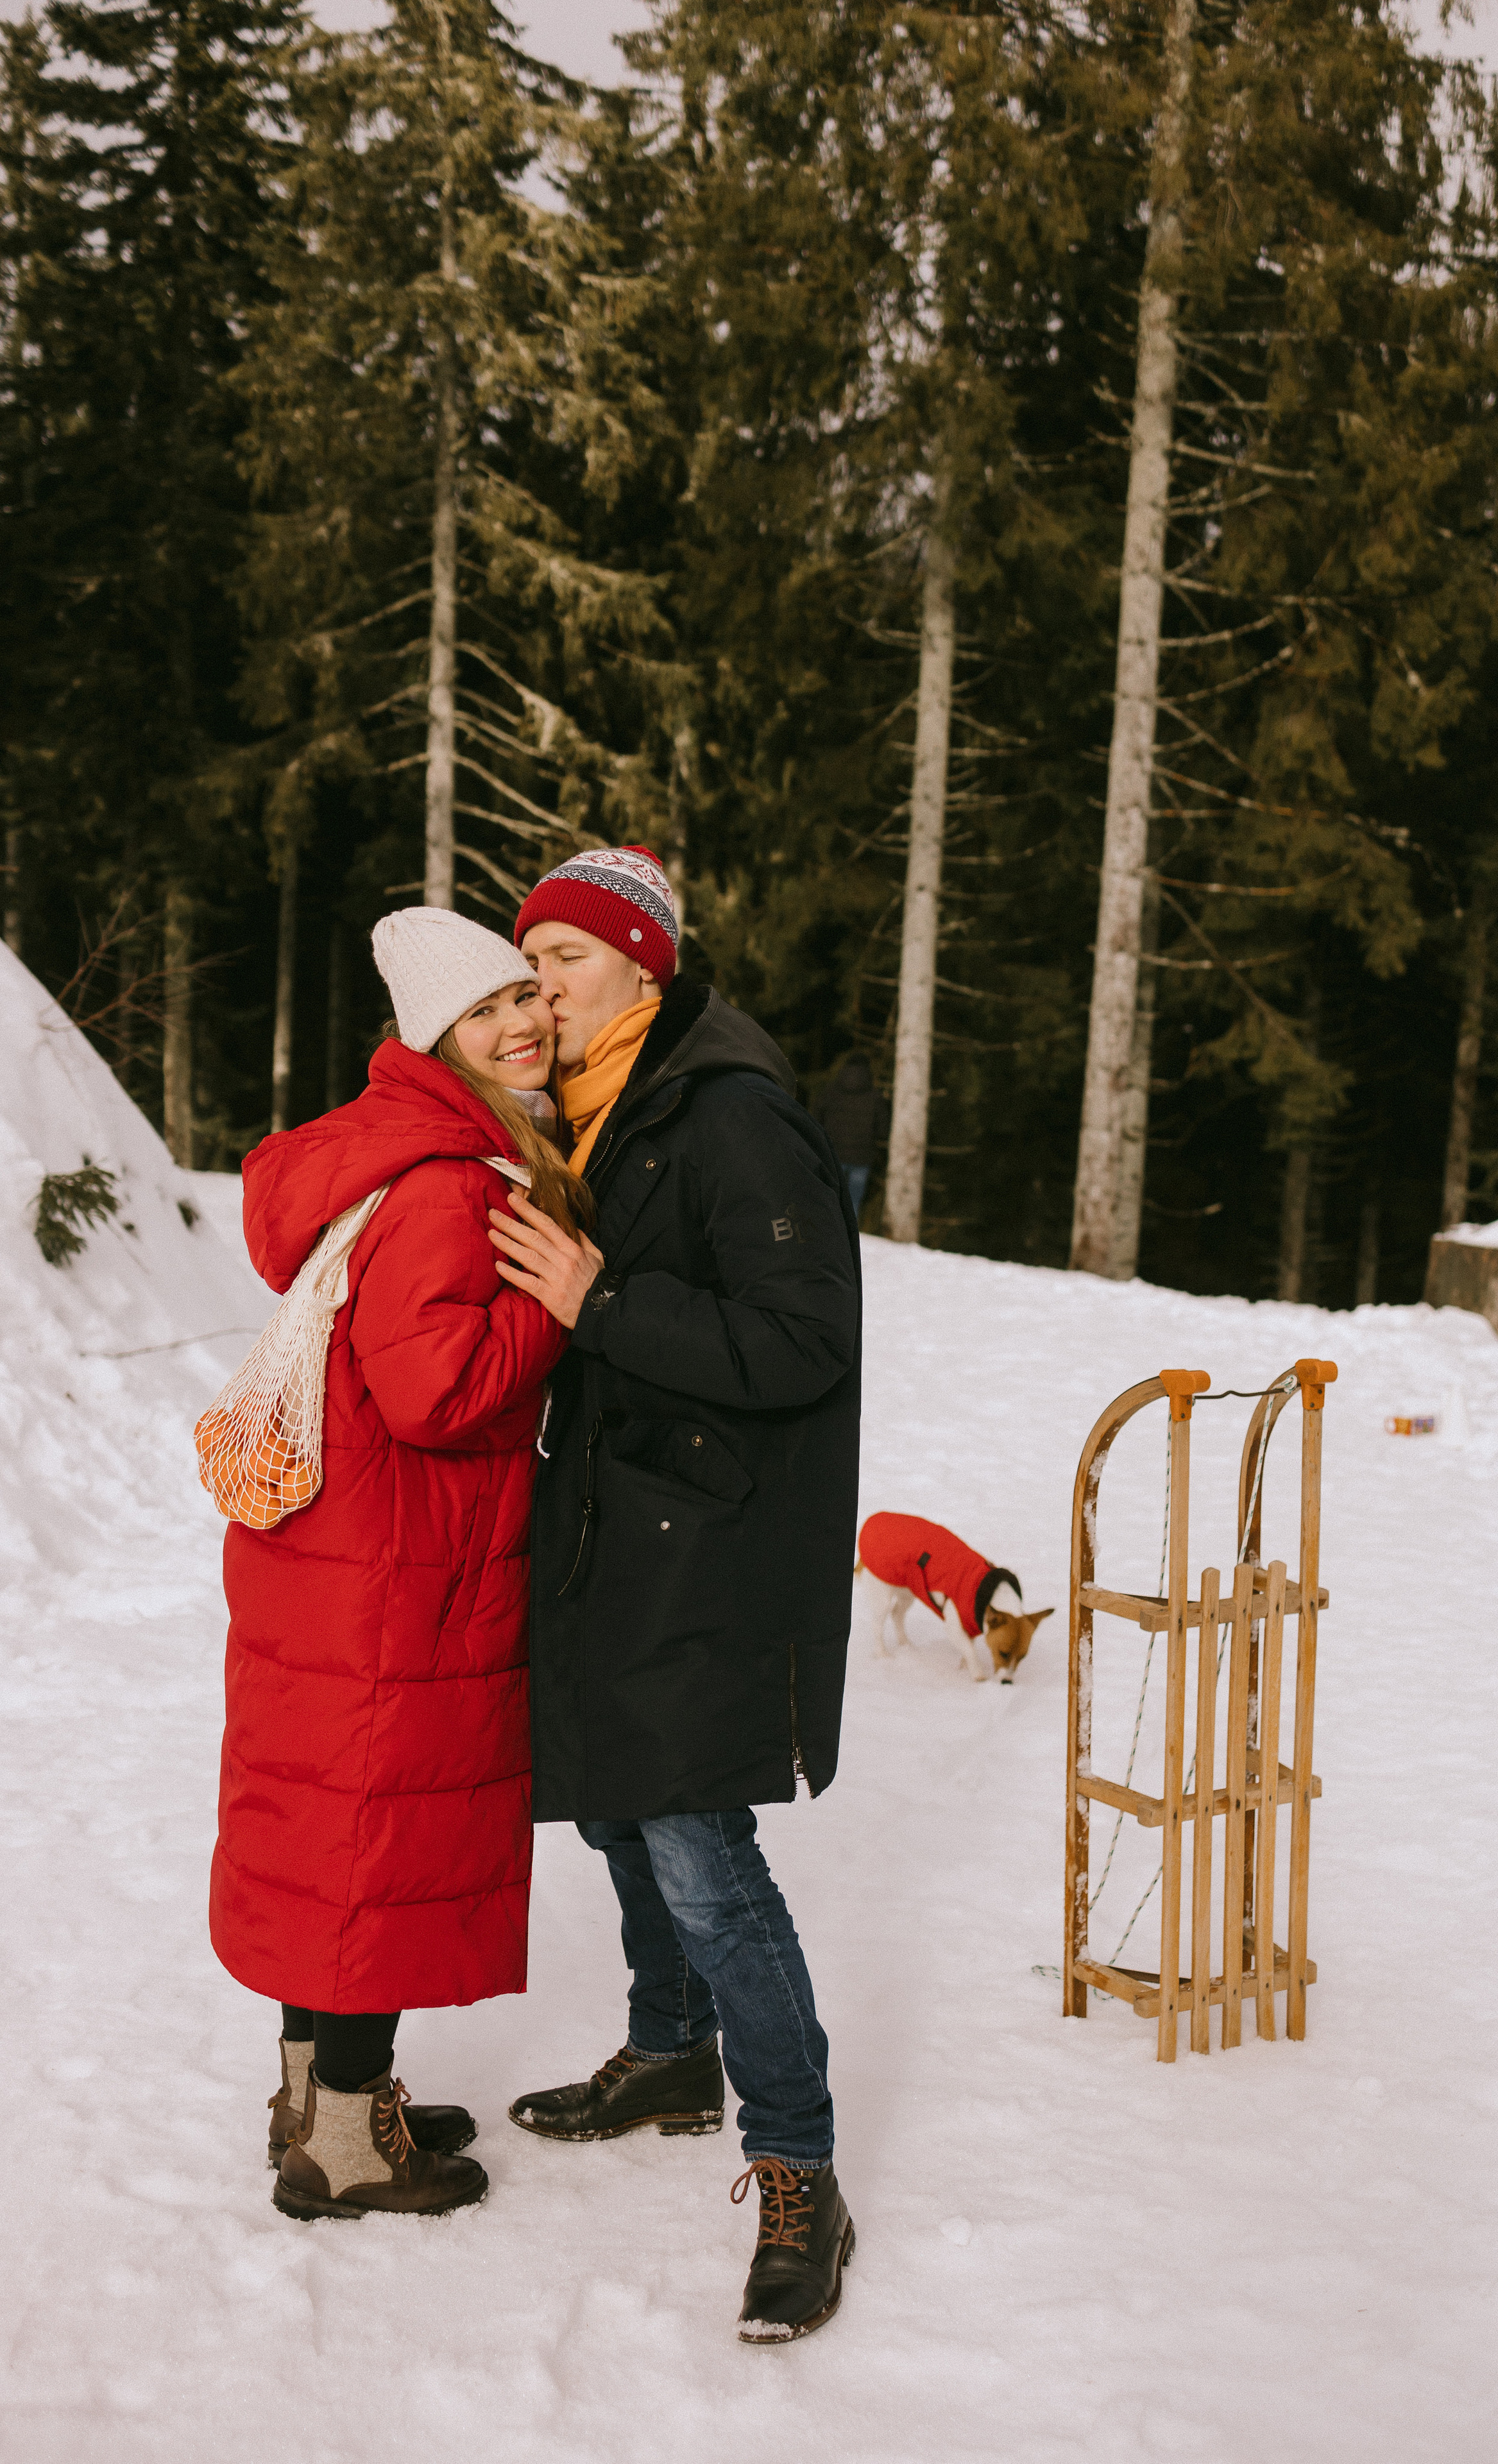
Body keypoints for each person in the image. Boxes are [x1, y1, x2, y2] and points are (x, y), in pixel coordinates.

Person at [486, 844, 863, 2344]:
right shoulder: (595, 1112)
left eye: (564, 962)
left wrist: (600, 1302)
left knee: (701, 1842)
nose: (540, 992)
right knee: (617, 1799)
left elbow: (798, 1343)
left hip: (708, 1542)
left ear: (641, 965)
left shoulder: (729, 1112)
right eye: (526, 968)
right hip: (609, 1525)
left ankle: (798, 2161)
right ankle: (667, 2050)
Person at [210, 906, 590, 2221]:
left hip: (337, 1556)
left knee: (330, 1840)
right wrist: (553, 1305)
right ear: (435, 1039)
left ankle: (317, 2099)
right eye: (487, 1012)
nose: (524, 1023)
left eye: (525, 999)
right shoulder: (447, 1177)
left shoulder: (395, 1145)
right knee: (374, 1844)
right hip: (398, 1568)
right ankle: (350, 2151)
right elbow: (434, 1391)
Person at [812, 1049, 890, 1220]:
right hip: (862, 1157)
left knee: (830, 1196)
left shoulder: (830, 1091)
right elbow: (883, 1131)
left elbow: (815, 1120)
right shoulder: (875, 1097)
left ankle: (826, 1227)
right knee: (854, 1201)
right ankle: (849, 1238)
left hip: (833, 1154)